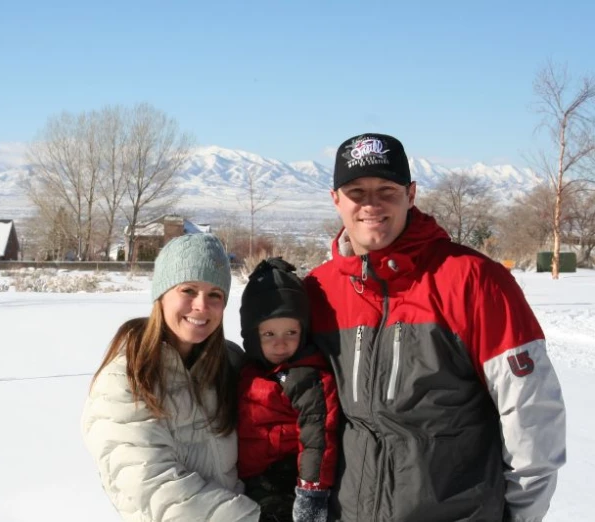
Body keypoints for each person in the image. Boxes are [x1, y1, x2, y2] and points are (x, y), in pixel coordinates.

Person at [304, 133, 566, 522]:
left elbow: (530, 414)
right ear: (336, 199)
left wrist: (522, 515)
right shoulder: (319, 291)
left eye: (387, 190)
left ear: (411, 194)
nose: (371, 204)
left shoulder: (473, 281)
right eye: (357, 191)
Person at [81, 233, 260, 522]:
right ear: (161, 295)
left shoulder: (230, 363)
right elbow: (152, 486)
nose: (202, 305)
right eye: (188, 290)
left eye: (215, 294)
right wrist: (255, 517)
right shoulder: (125, 378)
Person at [237, 257, 339, 522]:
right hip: (245, 479)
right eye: (269, 334)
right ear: (252, 335)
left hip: (284, 480)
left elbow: (318, 435)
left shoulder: (305, 375)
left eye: (291, 333)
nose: (280, 344)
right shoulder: (246, 369)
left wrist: (311, 493)